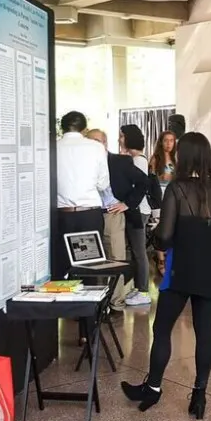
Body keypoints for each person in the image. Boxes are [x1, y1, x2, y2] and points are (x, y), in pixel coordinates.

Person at [120, 132, 211, 419]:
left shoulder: (177, 190)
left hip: (180, 270)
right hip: (208, 270)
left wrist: (159, 235)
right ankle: (199, 394)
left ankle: (153, 388)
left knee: (163, 329)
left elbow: (165, 238)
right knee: (204, 331)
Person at [86, 129, 147, 311]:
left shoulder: (120, 161)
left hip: (112, 213)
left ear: (105, 143)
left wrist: (127, 204)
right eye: (90, 142)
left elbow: (144, 181)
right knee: (93, 258)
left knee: (116, 258)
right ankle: (97, 301)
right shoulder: (84, 162)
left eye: (97, 141)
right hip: (90, 213)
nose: (93, 145)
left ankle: (116, 302)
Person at [54, 112, 109, 281]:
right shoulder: (96, 147)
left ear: (62, 128)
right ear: (85, 129)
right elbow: (103, 184)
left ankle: (64, 305)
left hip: (62, 215)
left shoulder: (52, 147)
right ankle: (88, 304)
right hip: (88, 215)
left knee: (61, 265)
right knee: (88, 266)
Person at [119, 124, 153, 307]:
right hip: (137, 210)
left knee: (139, 252)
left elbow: (139, 186)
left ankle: (144, 290)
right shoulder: (133, 158)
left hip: (139, 211)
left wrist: (126, 203)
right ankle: (139, 287)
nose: (119, 140)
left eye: (122, 136)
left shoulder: (138, 160)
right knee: (135, 251)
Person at [149, 130, 177, 276]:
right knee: (159, 228)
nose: (169, 144)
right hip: (159, 196)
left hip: (172, 195)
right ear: (161, 142)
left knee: (172, 228)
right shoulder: (155, 159)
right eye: (166, 140)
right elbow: (153, 180)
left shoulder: (175, 158)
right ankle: (160, 260)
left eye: (171, 140)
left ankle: (170, 259)